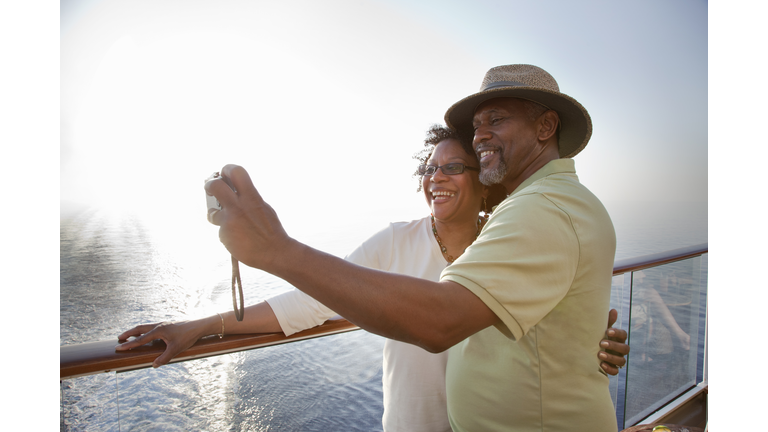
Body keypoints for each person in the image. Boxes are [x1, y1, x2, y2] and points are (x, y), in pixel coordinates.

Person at [118, 124, 629, 431]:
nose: (436, 179)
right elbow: (307, 304)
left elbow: (550, 323)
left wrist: (596, 343)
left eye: (454, 168)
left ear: (483, 179)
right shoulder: (395, 242)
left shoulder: (511, 240)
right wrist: (203, 326)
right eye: (430, 170)